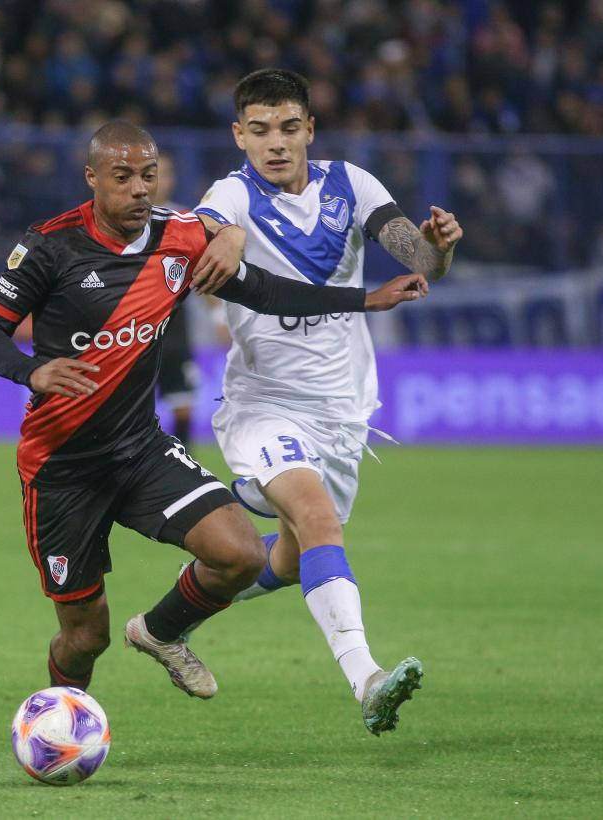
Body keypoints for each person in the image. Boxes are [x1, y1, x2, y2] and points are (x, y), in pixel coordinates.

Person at [0, 121, 428, 702]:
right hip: (62, 467)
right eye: (123, 177)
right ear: (92, 179)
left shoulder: (179, 240)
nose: (139, 189)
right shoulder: (49, 247)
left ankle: (163, 634)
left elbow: (263, 289)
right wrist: (32, 370)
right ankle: (63, 713)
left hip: (139, 451)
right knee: (85, 637)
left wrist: (364, 300)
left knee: (236, 553)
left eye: (148, 176)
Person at [187, 69, 464, 735]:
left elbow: (417, 258)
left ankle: (164, 620)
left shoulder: (352, 185)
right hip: (262, 402)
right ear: (239, 136)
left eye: (288, 128)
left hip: (341, 411)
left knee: (283, 556)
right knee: (317, 517)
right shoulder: (232, 192)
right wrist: (222, 234)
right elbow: (204, 231)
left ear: (310, 128)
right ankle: (366, 679)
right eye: (259, 131)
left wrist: (439, 247)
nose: (275, 143)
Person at [149, 153, 199, 448]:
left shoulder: (187, 222)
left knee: (184, 407)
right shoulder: (123, 220)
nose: (159, 180)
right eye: (153, 173)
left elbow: (206, 271)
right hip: (134, 331)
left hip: (177, 331)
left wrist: (218, 317)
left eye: (165, 173)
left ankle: (185, 468)